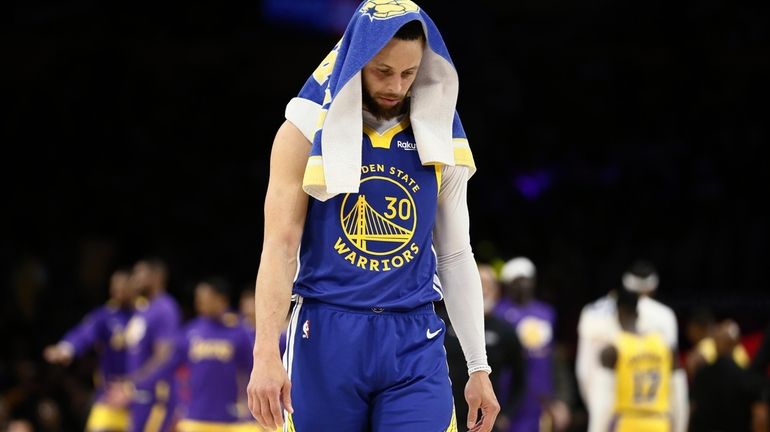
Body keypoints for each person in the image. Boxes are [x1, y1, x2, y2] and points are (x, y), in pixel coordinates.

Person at [246, 2, 500, 431]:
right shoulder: (304, 129)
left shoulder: (441, 131)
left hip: (413, 338)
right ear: (355, 61)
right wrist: (265, 353)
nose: (396, 86)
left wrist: (478, 366)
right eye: (382, 71)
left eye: (408, 73)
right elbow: (280, 245)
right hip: (326, 333)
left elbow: (456, 253)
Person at [576, 260, 688, 432]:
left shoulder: (612, 346)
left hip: (623, 420)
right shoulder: (665, 338)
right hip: (660, 421)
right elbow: (679, 395)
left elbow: (584, 373)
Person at [142, 278, 263, 432]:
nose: (199, 303)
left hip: (233, 419)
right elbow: (167, 366)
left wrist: (250, 404)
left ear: (221, 299)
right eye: (197, 299)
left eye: (204, 298)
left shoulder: (240, 332)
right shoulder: (190, 332)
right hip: (195, 418)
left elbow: (253, 369)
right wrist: (135, 384)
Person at [43, 267, 135, 432]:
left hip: (139, 397)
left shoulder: (147, 314)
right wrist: (66, 349)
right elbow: (84, 334)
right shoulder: (104, 316)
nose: (117, 291)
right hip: (109, 395)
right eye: (114, 286)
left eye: (122, 286)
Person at [443, 264, 525, 431]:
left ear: (497, 292)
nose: (482, 290)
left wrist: (507, 415)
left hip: (486, 422)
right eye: (477, 283)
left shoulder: (506, 331)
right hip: (446, 417)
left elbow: (520, 377)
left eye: (487, 285)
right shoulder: (441, 324)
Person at [495, 257, 571, 432]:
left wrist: (561, 399)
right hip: (508, 402)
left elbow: (555, 358)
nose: (523, 285)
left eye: (527, 279)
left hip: (542, 400)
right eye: (517, 281)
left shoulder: (547, 313)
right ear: (507, 284)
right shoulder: (498, 314)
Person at [113, 258, 181, 432]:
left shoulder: (165, 307)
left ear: (156, 276)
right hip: (140, 393)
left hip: (156, 394)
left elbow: (164, 355)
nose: (134, 278)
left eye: (139, 273)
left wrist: (134, 381)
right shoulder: (143, 309)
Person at [600, 288, 673, 432]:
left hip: (628, 421)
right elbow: (677, 391)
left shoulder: (613, 349)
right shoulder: (663, 345)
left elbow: (603, 400)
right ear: (639, 314)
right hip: (659, 422)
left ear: (618, 314)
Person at [689, 320, 769, 432]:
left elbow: (692, 410)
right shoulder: (746, 377)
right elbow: (759, 417)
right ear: (737, 344)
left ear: (715, 344)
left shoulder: (702, 376)